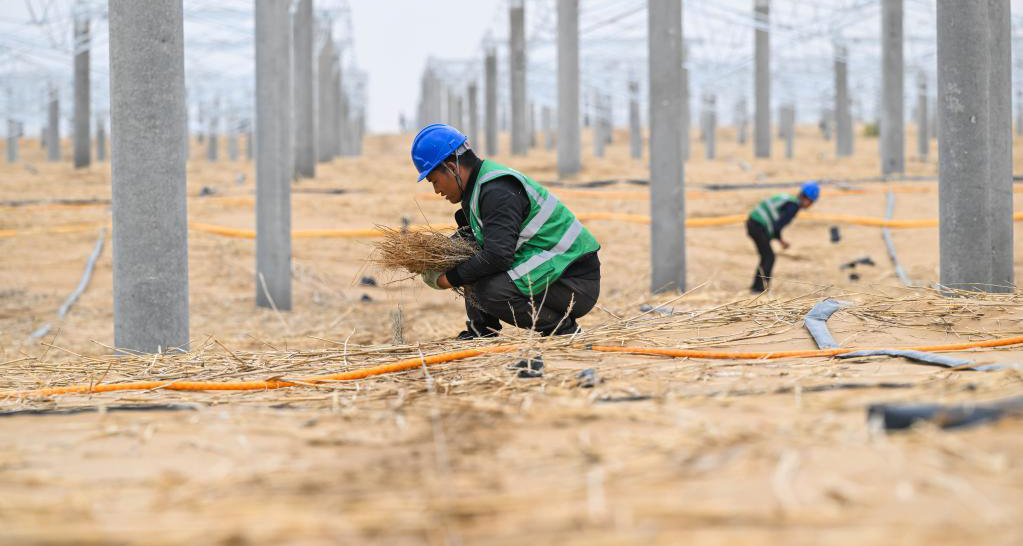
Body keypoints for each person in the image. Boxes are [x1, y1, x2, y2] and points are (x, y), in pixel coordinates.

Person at [411, 124, 601, 339]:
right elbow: (475, 248)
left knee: (490, 291)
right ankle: (482, 331)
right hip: (553, 269)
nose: (436, 190)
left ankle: (563, 331)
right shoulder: (476, 191)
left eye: (434, 180)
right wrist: (433, 257)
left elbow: (497, 256)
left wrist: (448, 279)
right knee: (469, 257)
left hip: (574, 279)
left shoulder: (496, 190)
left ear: (452, 168)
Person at [746, 181, 820, 292]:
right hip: (757, 225)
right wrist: (780, 239)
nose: (811, 205)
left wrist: (780, 240)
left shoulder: (790, 201)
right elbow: (778, 225)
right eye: (812, 202)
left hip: (754, 223)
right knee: (769, 257)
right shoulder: (793, 206)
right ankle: (759, 289)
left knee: (766, 256)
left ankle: (757, 286)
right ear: (806, 198)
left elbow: (776, 224)